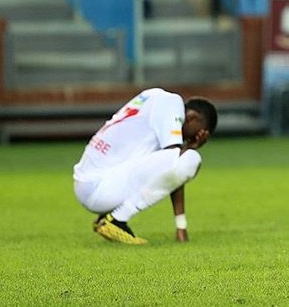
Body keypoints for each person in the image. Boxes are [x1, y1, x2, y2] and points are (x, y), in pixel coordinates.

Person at [73, 88, 217, 244]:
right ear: (192, 118)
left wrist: (180, 226)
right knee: (191, 159)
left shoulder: (154, 96)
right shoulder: (173, 103)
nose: (193, 138)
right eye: (198, 133)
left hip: (91, 183)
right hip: (100, 188)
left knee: (181, 157)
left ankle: (108, 218)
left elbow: (170, 168)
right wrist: (191, 148)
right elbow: (175, 164)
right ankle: (116, 220)